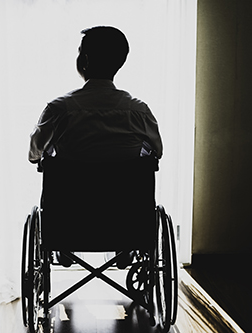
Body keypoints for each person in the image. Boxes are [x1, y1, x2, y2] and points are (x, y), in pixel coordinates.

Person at [28, 26, 163, 267]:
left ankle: (65, 245)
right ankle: (124, 246)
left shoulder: (59, 109)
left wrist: (48, 155)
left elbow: (34, 153)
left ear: (86, 60)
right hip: (126, 218)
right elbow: (157, 151)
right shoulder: (138, 111)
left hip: (70, 217)